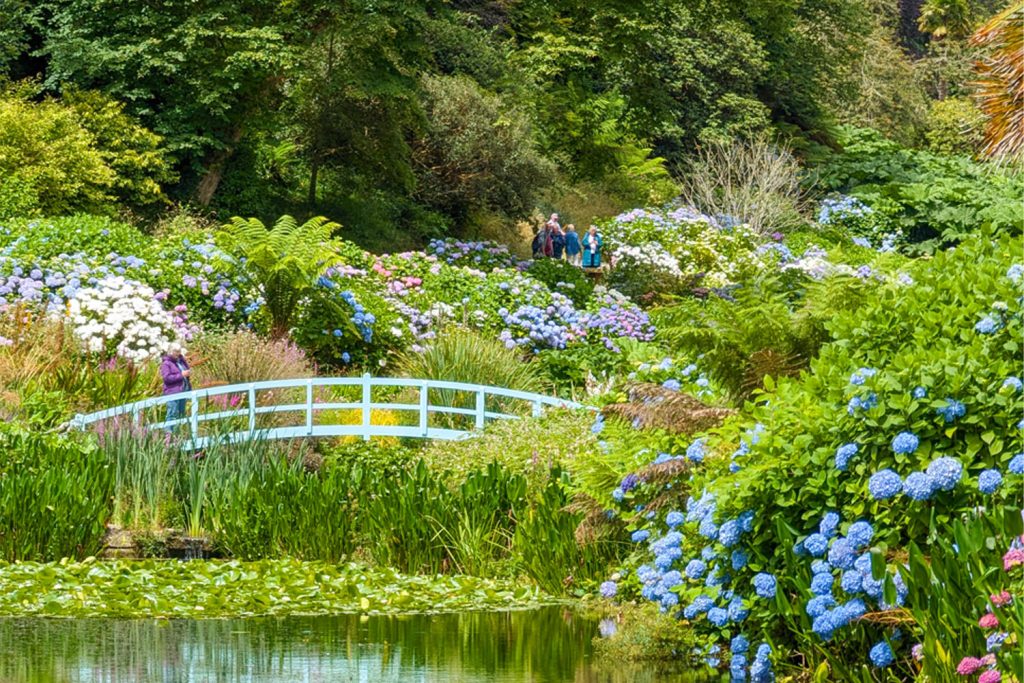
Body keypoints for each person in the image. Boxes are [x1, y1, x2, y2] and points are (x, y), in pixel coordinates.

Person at [160, 342, 192, 429]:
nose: (178, 353)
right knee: (172, 414)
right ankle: (168, 436)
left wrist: (188, 373)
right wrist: (181, 375)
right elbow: (167, 378)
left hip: (183, 391)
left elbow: (186, 371)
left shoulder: (181, 361)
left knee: (181, 413)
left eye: (179, 351)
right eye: (176, 351)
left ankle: (178, 434)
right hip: (173, 392)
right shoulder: (166, 364)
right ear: (171, 351)